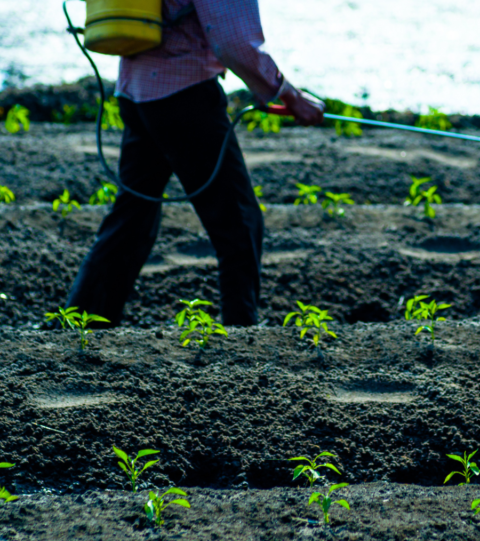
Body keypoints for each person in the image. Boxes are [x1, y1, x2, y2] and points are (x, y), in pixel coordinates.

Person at [66, 0, 323, 327]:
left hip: (136, 90)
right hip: (184, 96)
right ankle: (241, 337)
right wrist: (288, 94)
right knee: (239, 223)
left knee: (132, 218)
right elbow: (234, 43)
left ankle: (82, 324)